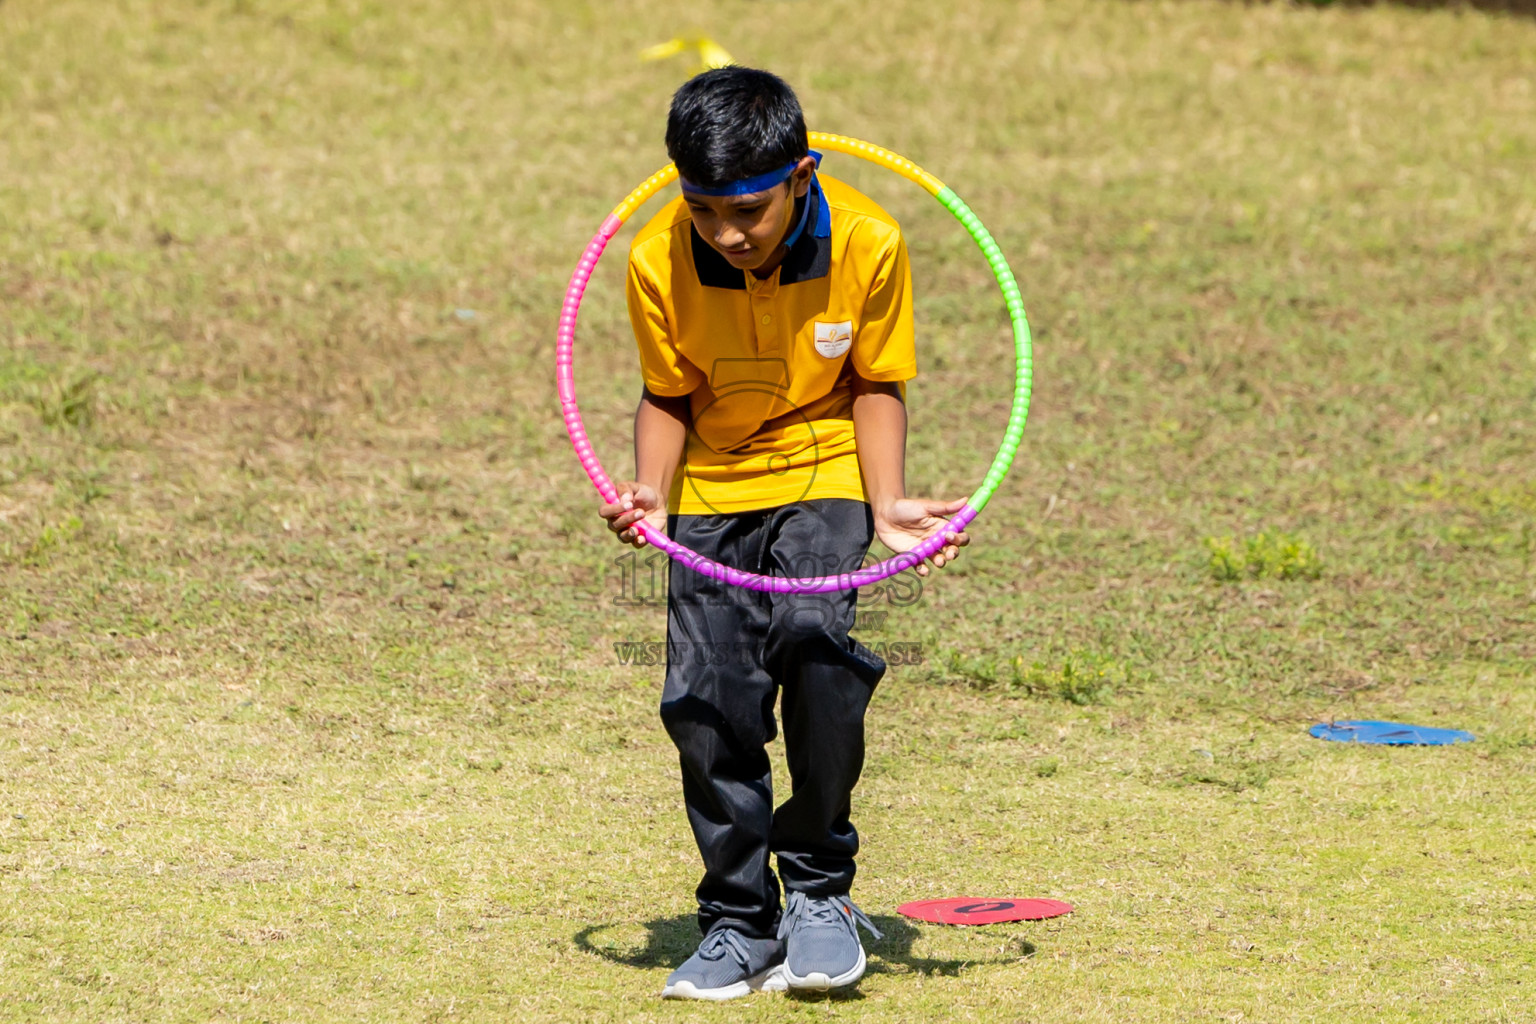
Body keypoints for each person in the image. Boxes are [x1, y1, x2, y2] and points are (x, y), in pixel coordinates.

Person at [598, 65, 968, 1001]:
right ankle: (736, 920)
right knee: (706, 694)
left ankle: (819, 893)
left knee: (815, 643)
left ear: (802, 173)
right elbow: (668, 392)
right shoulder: (656, 259)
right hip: (716, 482)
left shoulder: (868, 241)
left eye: (751, 211)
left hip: (828, 462)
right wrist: (650, 489)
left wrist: (886, 508)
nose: (728, 233)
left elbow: (877, 381)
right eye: (704, 209)